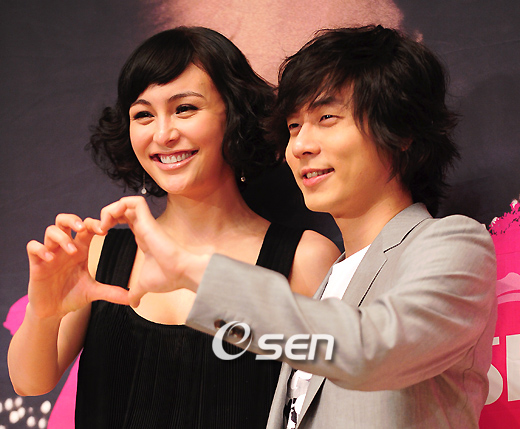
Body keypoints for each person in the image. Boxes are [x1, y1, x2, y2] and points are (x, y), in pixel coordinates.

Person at [83, 25, 497, 428]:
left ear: (402, 130)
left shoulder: (454, 243)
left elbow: (370, 349)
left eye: (327, 117)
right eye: (294, 126)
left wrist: (191, 271)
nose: (299, 146)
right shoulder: (330, 279)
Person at [7, 27, 340, 428]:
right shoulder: (99, 253)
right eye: (143, 115)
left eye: (184, 108)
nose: (163, 134)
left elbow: (344, 397)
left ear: (235, 114)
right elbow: (29, 382)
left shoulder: (304, 258)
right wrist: (43, 312)